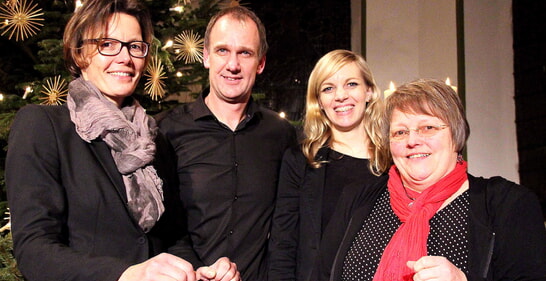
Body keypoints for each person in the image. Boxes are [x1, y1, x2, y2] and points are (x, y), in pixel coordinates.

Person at [5, 1, 239, 281]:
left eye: (135, 46)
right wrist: (125, 274)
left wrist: (201, 272)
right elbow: (34, 250)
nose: (125, 58)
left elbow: (173, 239)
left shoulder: (155, 140)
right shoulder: (43, 126)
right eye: (107, 44)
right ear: (80, 53)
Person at [315, 78, 546, 281]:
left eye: (428, 127)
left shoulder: (507, 204)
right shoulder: (358, 199)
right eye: (400, 132)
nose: (412, 141)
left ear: (456, 136)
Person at [157, 5, 297, 281]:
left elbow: (288, 225)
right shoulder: (166, 130)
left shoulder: (280, 134)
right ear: (206, 56)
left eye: (245, 53)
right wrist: (200, 272)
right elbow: (160, 227)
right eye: (222, 50)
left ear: (260, 63)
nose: (233, 65)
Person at [267, 49, 382, 281]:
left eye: (351, 84)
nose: (340, 96)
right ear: (319, 101)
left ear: (369, 91)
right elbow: (283, 244)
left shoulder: (393, 161)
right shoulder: (300, 160)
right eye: (328, 88)